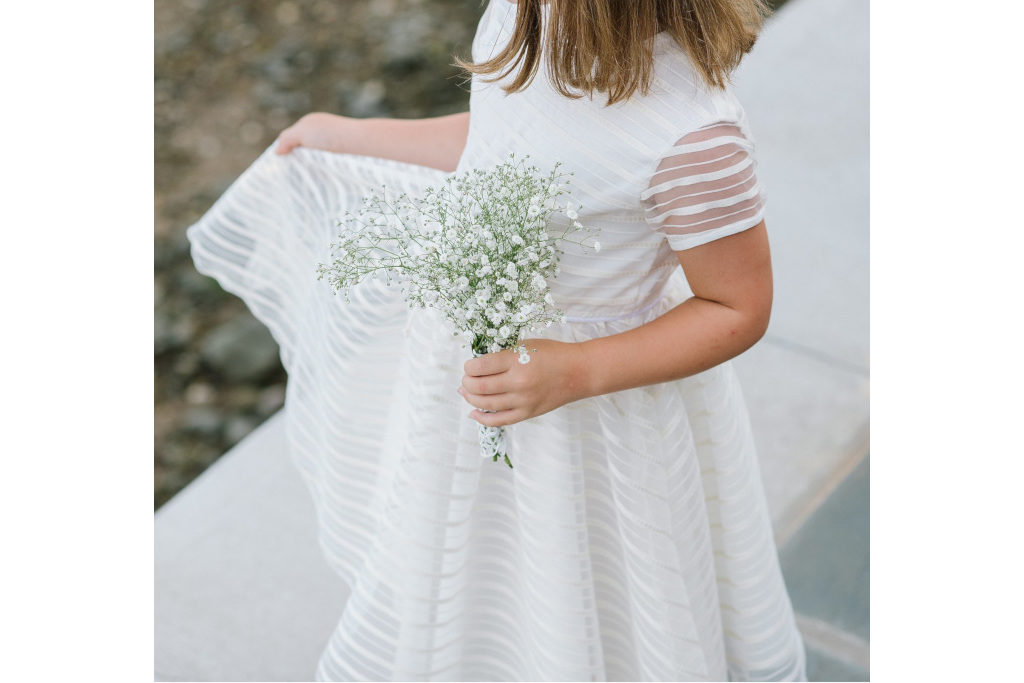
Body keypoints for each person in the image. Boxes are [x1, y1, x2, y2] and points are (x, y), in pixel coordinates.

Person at [186, 0, 807, 680]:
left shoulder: (692, 135)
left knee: (583, 586)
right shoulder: (523, 14)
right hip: (480, 379)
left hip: (598, 419)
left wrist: (574, 370)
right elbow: (499, 147)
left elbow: (738, 305)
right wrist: (353, 134)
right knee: (469, 570)